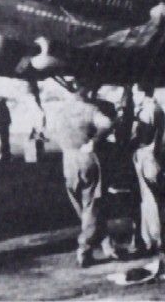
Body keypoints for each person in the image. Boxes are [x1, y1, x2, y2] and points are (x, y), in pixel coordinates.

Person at [50, 89, 120, 268]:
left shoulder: (60, 112)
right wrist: (94, 141)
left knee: (82, 206)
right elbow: (109, 123)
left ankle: (107, 244)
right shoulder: (90, 109)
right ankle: (85, 249)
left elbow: (49, 132)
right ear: (86, 92)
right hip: (87, 157)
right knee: (91, 206)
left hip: (68, 160)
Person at [129, 86, 165, 279]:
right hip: (149, 156)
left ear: (141, 91)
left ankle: (155, 240)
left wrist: (130, 132)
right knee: (148, 200)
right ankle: (151, 239)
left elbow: (143, 136)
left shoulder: (149, 110)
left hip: (147, 157)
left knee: (151, 201)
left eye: (133, 92)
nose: (132, 96)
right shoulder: (153, 108)